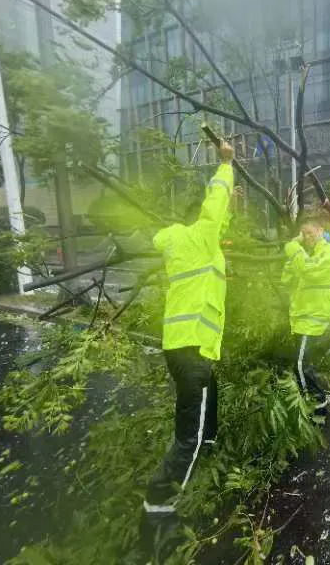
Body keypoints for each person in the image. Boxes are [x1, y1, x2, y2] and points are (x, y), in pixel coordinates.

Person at [143, 140, 235, 517]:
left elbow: (218, 220)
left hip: (181, 345)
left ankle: (208, 446)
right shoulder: (201, 236)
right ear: (197, 219)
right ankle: (157, 506)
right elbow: (215, 204)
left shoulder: (181, 243)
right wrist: (226, 164)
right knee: (188, 438)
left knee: (208, 396)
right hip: (194, 348)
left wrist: (233, 206)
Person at [282, 222, 330, 417]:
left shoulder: (329, 252)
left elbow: (309, 271)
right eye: (303, 233)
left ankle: (319, 406)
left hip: (313, 318)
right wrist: (293, 257)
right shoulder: (308, 255)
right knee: (303, 362)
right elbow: (286, 280)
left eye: (311, 232)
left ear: (321, 230)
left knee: (299, 365)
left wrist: (293, 246)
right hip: (301, 318)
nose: (307, 237)